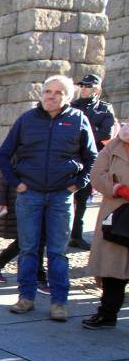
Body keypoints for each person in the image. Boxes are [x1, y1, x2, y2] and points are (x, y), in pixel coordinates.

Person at [0, 75, 97, 321]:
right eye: (47, 91)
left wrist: (77, 184)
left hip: (61, 196)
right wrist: (17, 184)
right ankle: (26, 297)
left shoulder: (78, 120)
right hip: (30, 195)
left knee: (57, 251)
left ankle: (59, 302)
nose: (51, 96)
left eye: (58, 92)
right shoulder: (26, 120)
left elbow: (92, 158)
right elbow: (3, 156)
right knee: (29, 249)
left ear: (67, 96)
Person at [82, 124, 129, 329]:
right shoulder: (113, 146)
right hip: (116, 214)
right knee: (113, 268)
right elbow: (96, 175)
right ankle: (107, 314)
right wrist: (116, 188)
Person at [70, 74, 116, 250]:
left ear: (96, 89)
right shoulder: (71, 106)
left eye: (87, 86)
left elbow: (106, 134)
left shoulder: (105, 109)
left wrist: (82, 135)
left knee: (82, 200)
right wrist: (92, 130)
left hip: (90, 160)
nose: (82, 88)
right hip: (70, 158)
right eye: (81, 85)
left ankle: (76, 235)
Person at [0, 171, 50, 294]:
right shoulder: (16, 153)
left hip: (36, 200)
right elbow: (3, 175)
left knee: (31, 238)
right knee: (33, 238)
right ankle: (38, 277)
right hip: (21, 200)